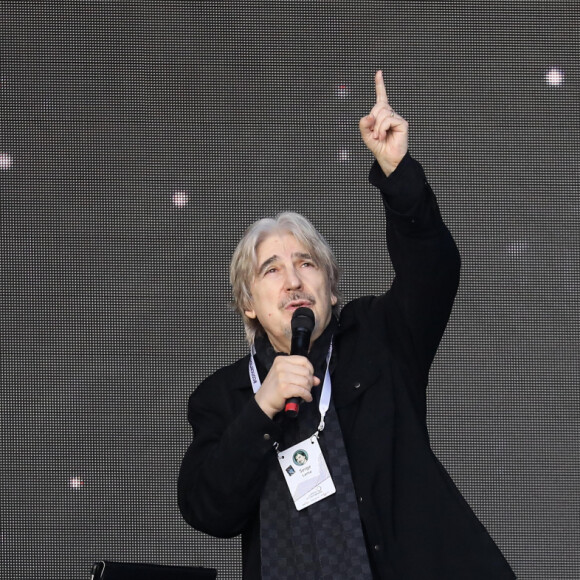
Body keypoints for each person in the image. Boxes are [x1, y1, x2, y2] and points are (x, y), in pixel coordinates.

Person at [178, 71, 516, 579]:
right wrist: (262, 406)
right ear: (248, 302)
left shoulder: (379, 336)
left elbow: (435, 270)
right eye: (271, 270)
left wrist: (396, 170)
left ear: (331, 291)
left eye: (306, 264)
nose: (292, 280)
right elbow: (208, 510)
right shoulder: (221, 398)